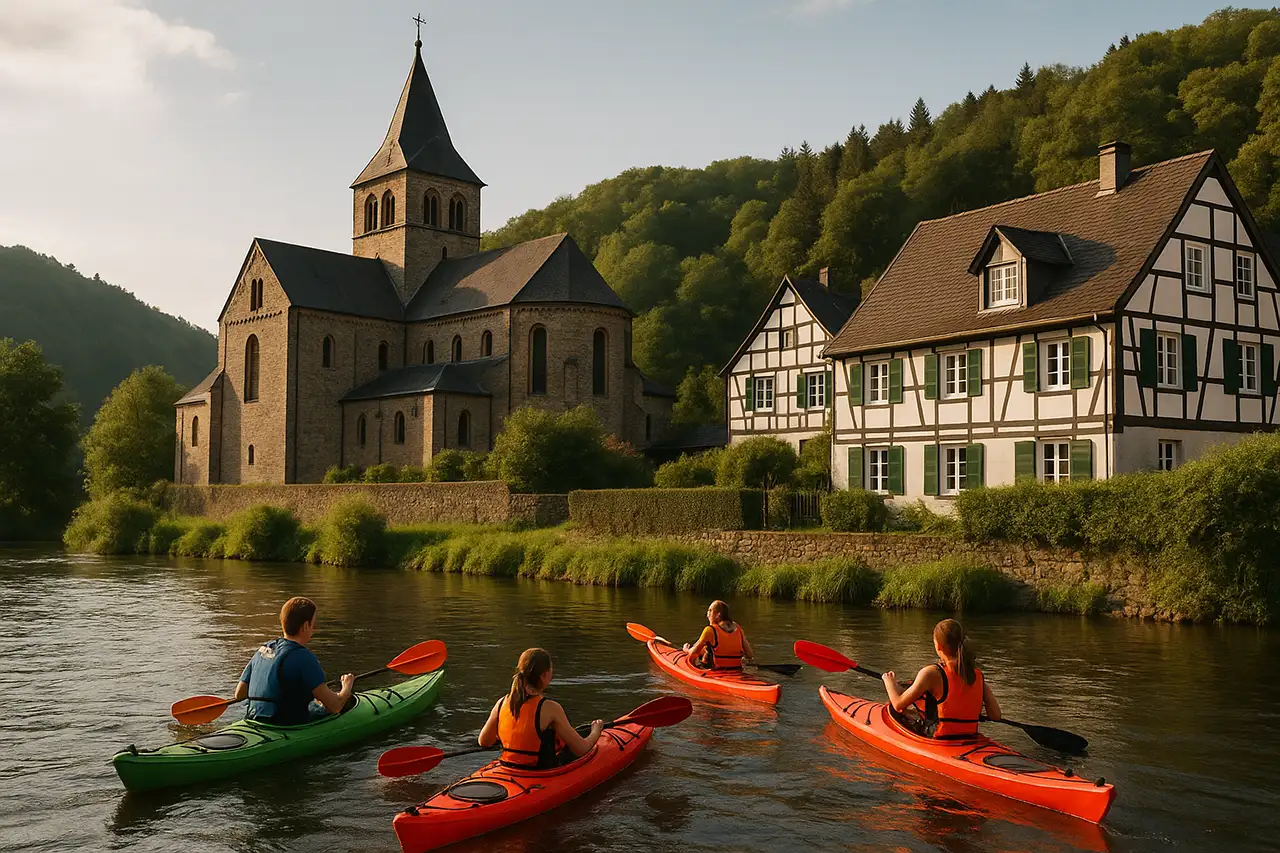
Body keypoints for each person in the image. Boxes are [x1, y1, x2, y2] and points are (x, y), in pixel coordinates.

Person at [233, 596, 355, 726]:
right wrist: (346, 687)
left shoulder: (264, 649)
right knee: (341, 704)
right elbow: (335, 707)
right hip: (285, 724)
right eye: (314, 623)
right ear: (305, 626)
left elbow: (239, 694)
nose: (314, 627)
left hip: (254, 718)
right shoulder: (304, 657)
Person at [478, 648, 604, 769]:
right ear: (544, 675)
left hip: (508, 766)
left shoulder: (502, 703)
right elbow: (581, 749)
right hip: (539, 771)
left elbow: (484, 741)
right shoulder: (550, 708)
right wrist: (596, 730)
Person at [881, 618, 1001, 739]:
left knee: (894, 710)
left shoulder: (931, 673)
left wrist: (888, 681)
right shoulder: (976, 674)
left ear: (938, 646)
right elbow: (996, 715)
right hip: (970, 737)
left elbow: (898, 705)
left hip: (939, 739)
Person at [682, 600, 754, 670]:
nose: (708, 614)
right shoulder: (738, 629)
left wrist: (686, 650)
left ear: (718, 615)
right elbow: (749, 655)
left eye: (710, 611)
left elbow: (692, 653)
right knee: (705, 648)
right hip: (737, 670)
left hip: (717, 671)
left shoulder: (710, 630)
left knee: (703, 651)